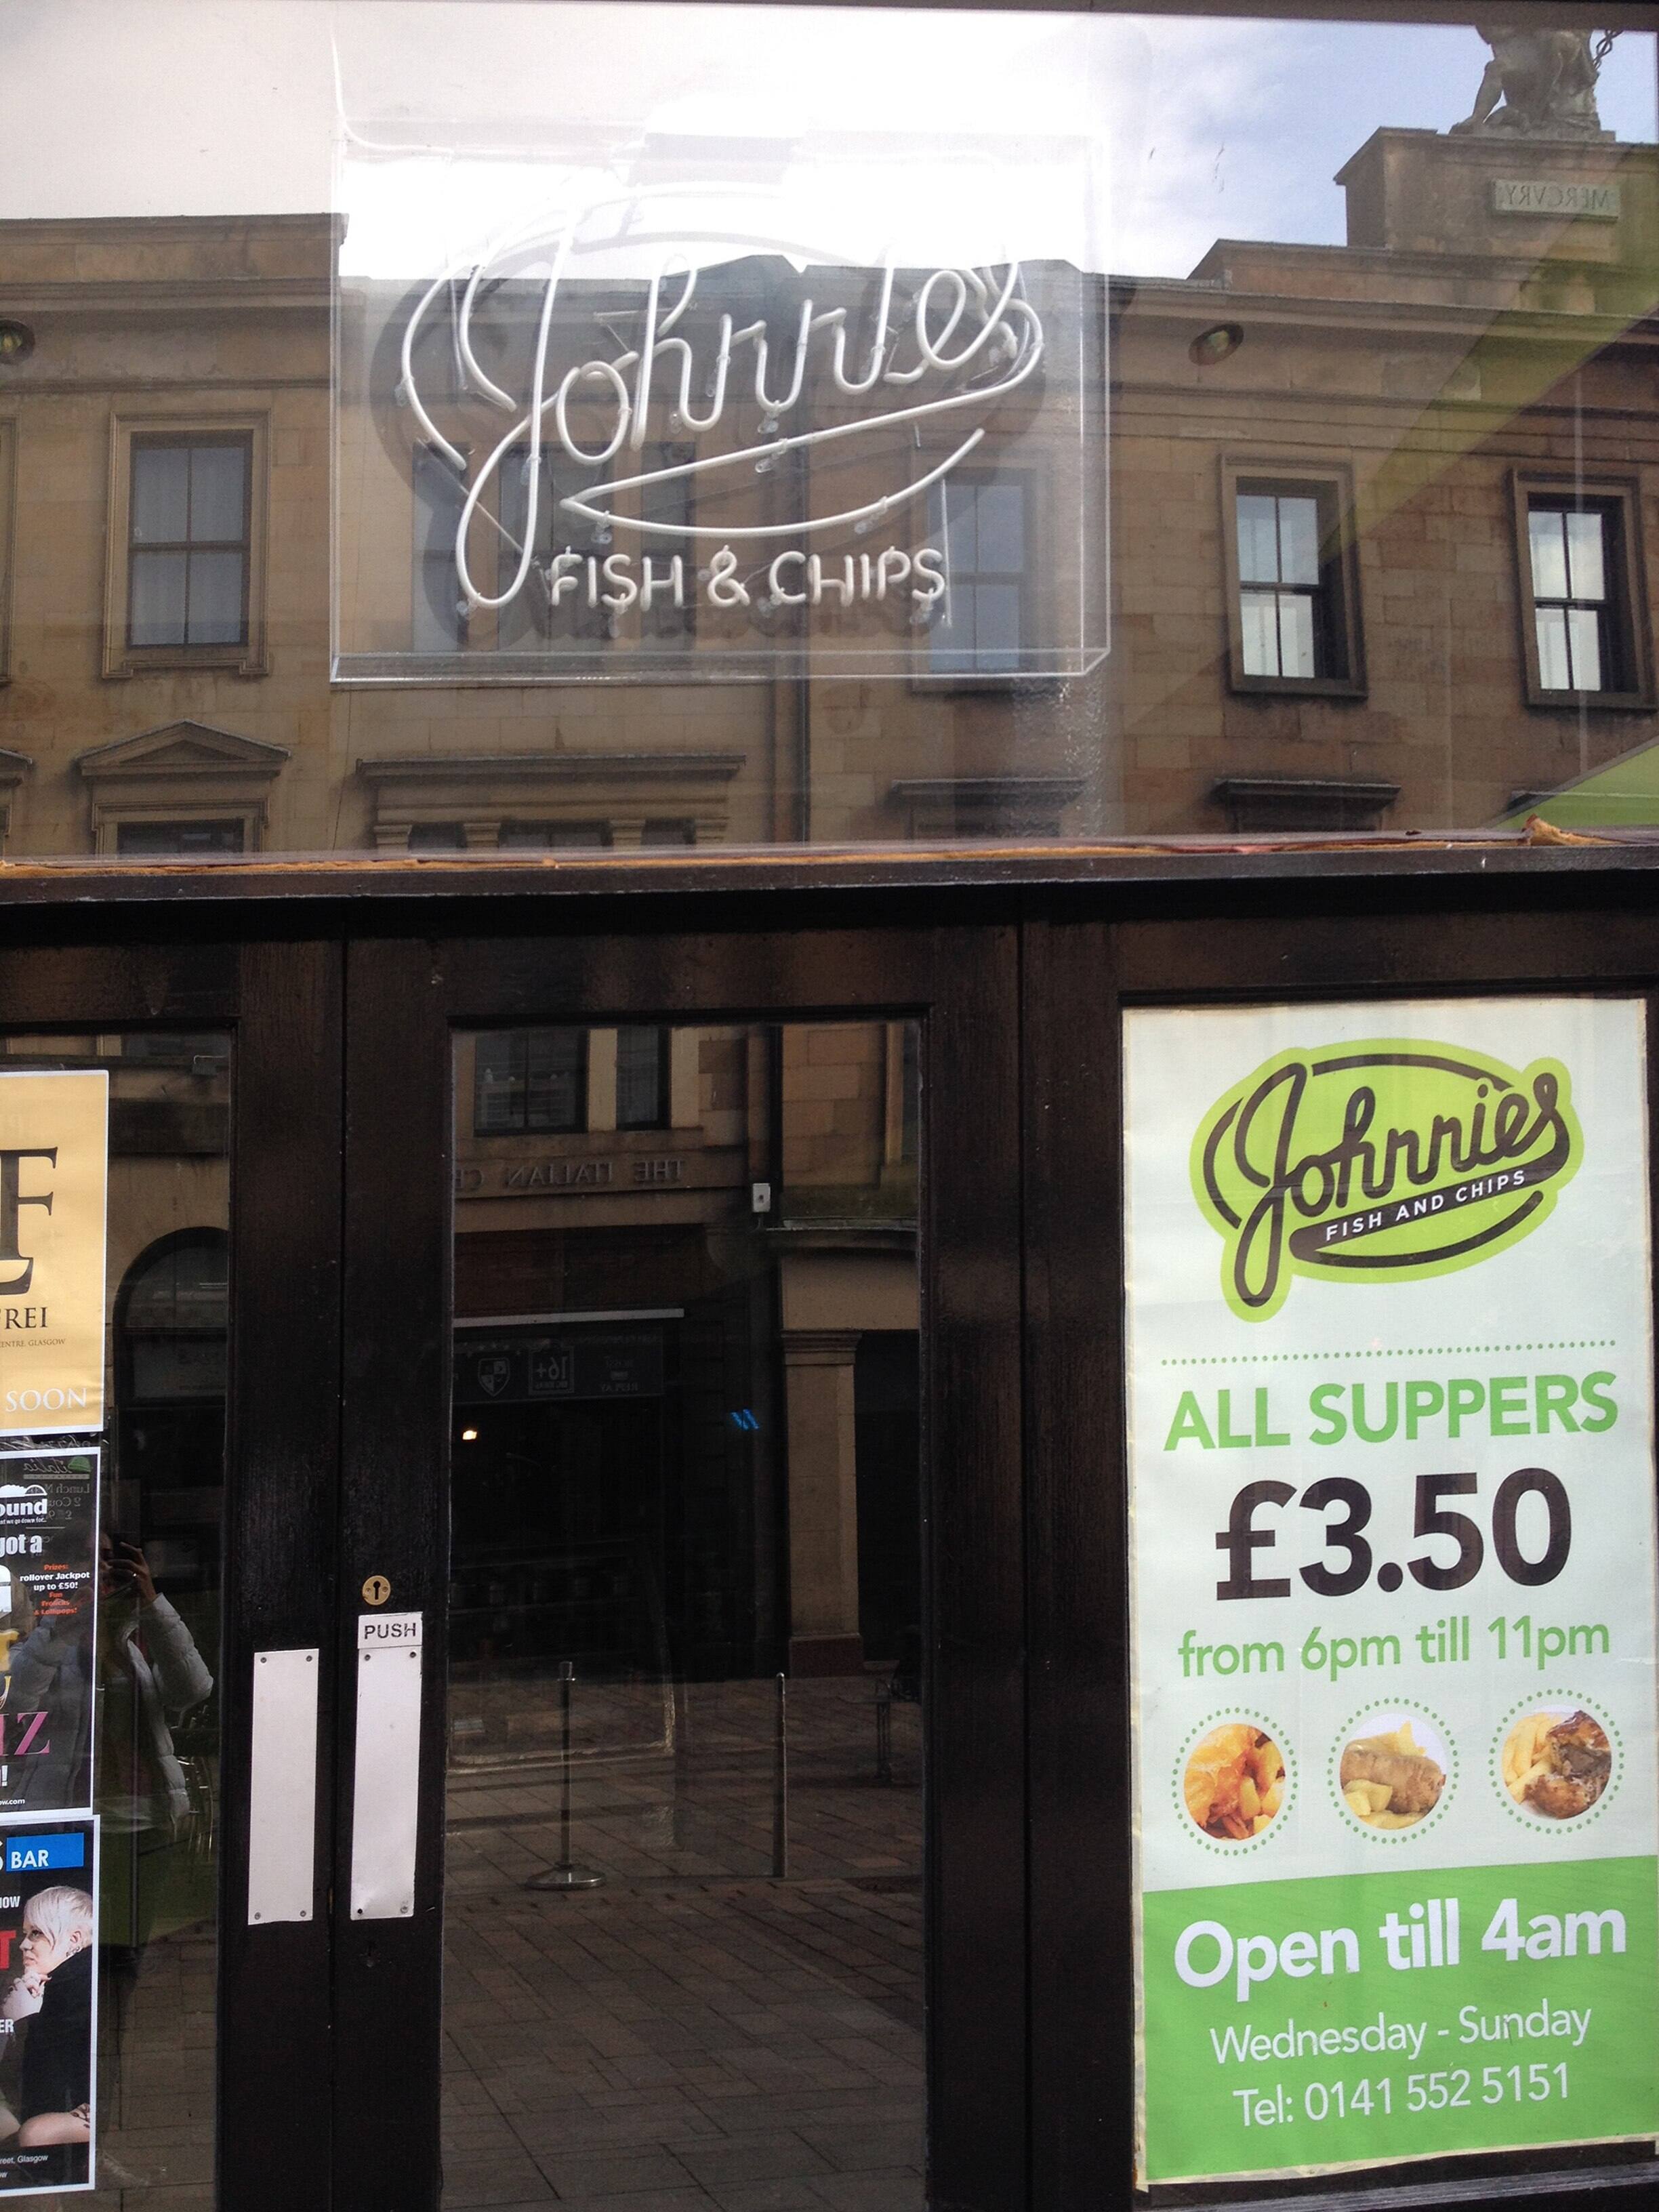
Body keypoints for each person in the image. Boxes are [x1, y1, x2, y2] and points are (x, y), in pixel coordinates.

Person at [0, 1885, 95, 2173]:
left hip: (74, 2133)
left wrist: (23, 2018)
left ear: (74, 1940)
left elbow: (39, 2088)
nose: (24, 1944)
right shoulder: (58, 1987)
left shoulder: (75, 1986)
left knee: (36, 2132)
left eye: (36, 1933)